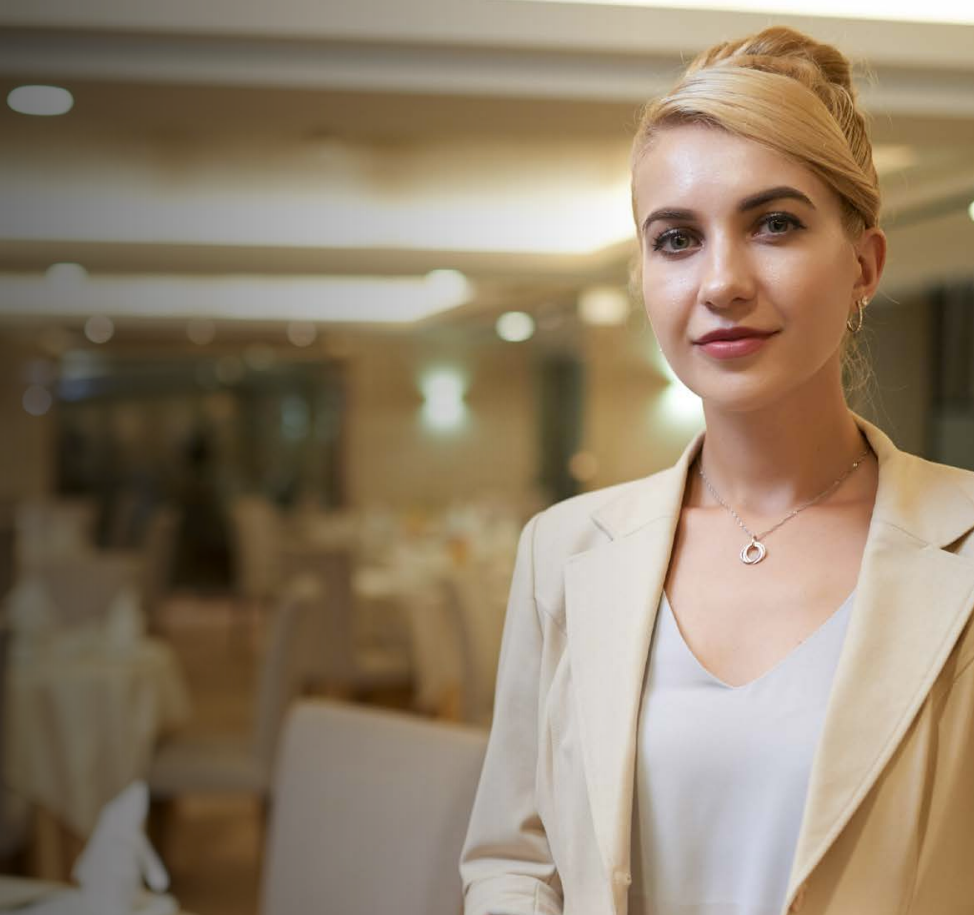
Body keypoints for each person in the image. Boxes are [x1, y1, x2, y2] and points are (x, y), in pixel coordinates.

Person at [459, 25, 974, 915]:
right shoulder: (565, 549)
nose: (722, 280)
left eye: (774, 223)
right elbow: (518, 855)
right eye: (676, 239)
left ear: (864, 265)